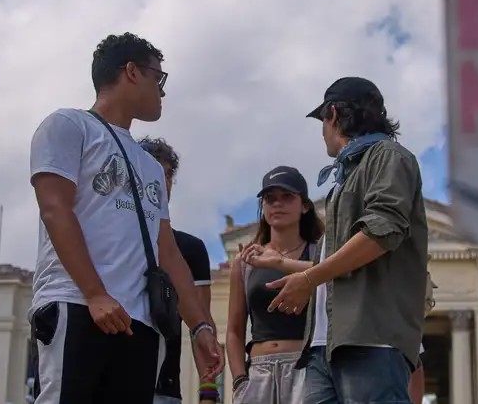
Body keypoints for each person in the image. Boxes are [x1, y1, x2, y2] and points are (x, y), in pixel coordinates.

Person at [28, 32, 222, 403]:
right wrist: (95, 293)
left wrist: (199, 326)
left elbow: (168, 252)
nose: (162, 91)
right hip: (78, 304)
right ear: (131, 72)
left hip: (141, 322)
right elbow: (55, 209)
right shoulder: (68, 125)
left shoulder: (150, 165)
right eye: (158, 78)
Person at [267, 76, 429, 403]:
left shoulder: (389, 156)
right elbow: (341, 256)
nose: (322, 133)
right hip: (324, 345)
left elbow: (382, 230)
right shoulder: (344, 178)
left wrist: (309, 278)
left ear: (335, 115)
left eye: (322, 122)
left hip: (371, 339)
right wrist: (291, 269)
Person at [226, 165, 323, 403]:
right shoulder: (244, 262)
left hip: (306, 369)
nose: (277, 204)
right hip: (258, 373)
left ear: (305, 205)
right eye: (270, 199)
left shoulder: (320, 254)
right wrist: (239, 380)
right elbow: (234, 330)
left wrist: (280, 262)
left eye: (287, 197)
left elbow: (335, 275)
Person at [138, 137, 215, 404]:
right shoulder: (111, 241)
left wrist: (209, 391)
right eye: (155, 173)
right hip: (110, 379)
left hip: (165, 389)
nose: (163, 183)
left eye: (168, 175)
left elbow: (201, 321)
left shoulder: (190, 249)